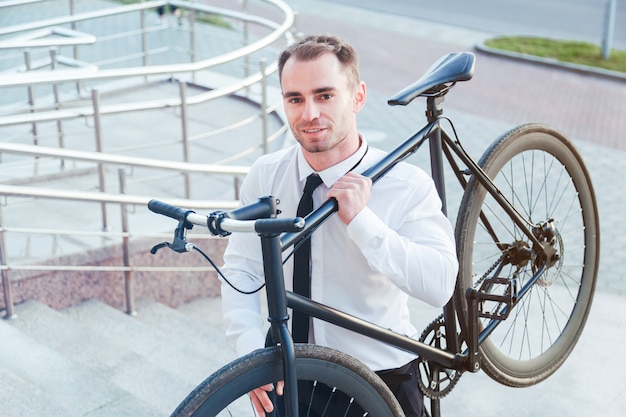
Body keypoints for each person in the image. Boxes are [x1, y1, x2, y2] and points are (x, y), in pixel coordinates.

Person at [220, 34, 459, 416]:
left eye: (325, 95)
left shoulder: (404, 183)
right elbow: (242, 270)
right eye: (294, 99)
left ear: (358, 97)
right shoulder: (266, 175)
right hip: (289, 373)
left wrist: (364, 223)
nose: (309, 113)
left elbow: (440, 285)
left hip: (379, 379)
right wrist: (250, 354)